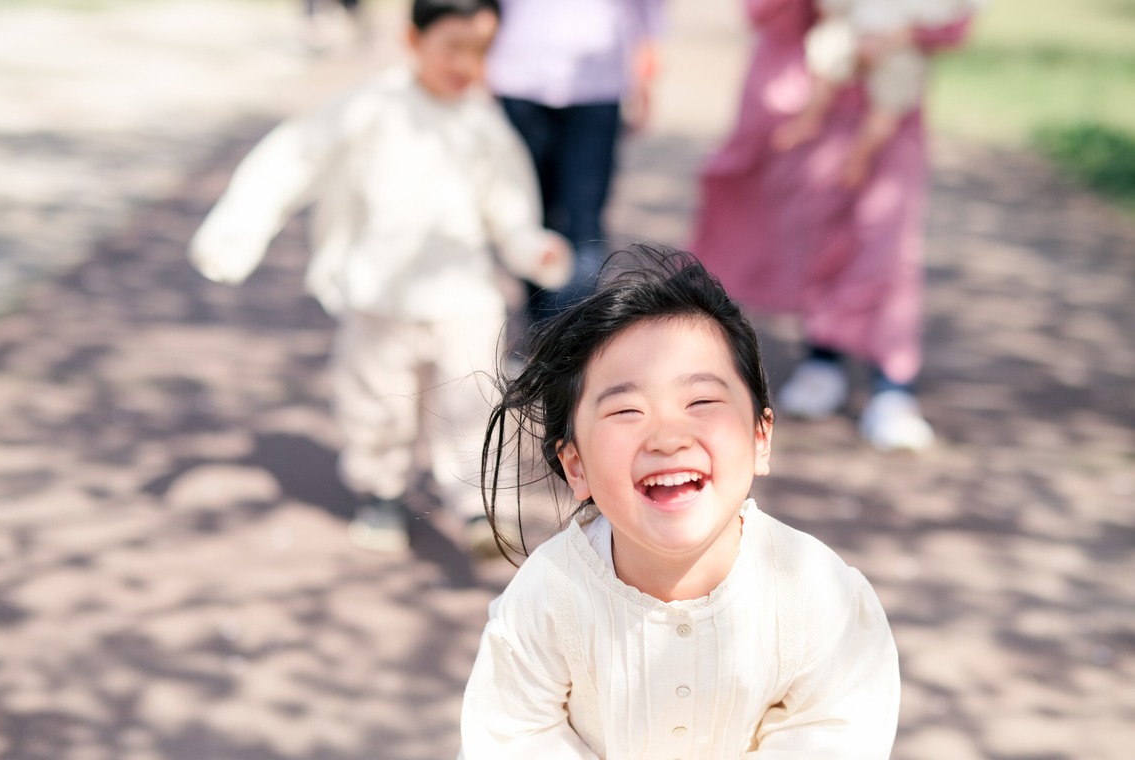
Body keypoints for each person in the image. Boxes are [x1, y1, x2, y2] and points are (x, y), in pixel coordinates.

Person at [459, 246, 899, 757]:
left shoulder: (819, 593)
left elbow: (835, 730)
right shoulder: (549, 597)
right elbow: (513, 736)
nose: (667, 437)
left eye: (702, 402)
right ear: (575, 465)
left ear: (761, 436)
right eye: (625, 410)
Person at [190, 0, 572, 554]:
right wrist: (238, 229)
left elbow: (509, 204)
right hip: (379, 292)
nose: (466, 64)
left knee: (472, 397)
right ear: (413, 40)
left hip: (462, 293)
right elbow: (294, 157)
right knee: (375, 403)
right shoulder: (371, 108)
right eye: (453, 48)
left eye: (481, 51)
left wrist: (529, 246)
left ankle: (475, 505)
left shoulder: (484, 124)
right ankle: (382, 491)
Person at [690, 0, 973, 452]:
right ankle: (823, 358)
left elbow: (954, 22)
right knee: (818, 237)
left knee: (887, 246)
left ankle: (893, 386)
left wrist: (895, 36)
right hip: (815, 103)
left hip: (889, 114)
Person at [486, 0, 665, 326]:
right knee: (526, 216)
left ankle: (568, 340)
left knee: (583, 221)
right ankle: (541, 333)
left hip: (596, 83)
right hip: (518, 73)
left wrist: (648, 61)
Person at [772, 0, 984, 187]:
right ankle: (827, 135)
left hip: (893, 42)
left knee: (882, 109)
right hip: (874, 36)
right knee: (881, 108)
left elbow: (955, 30)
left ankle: (853, 156)